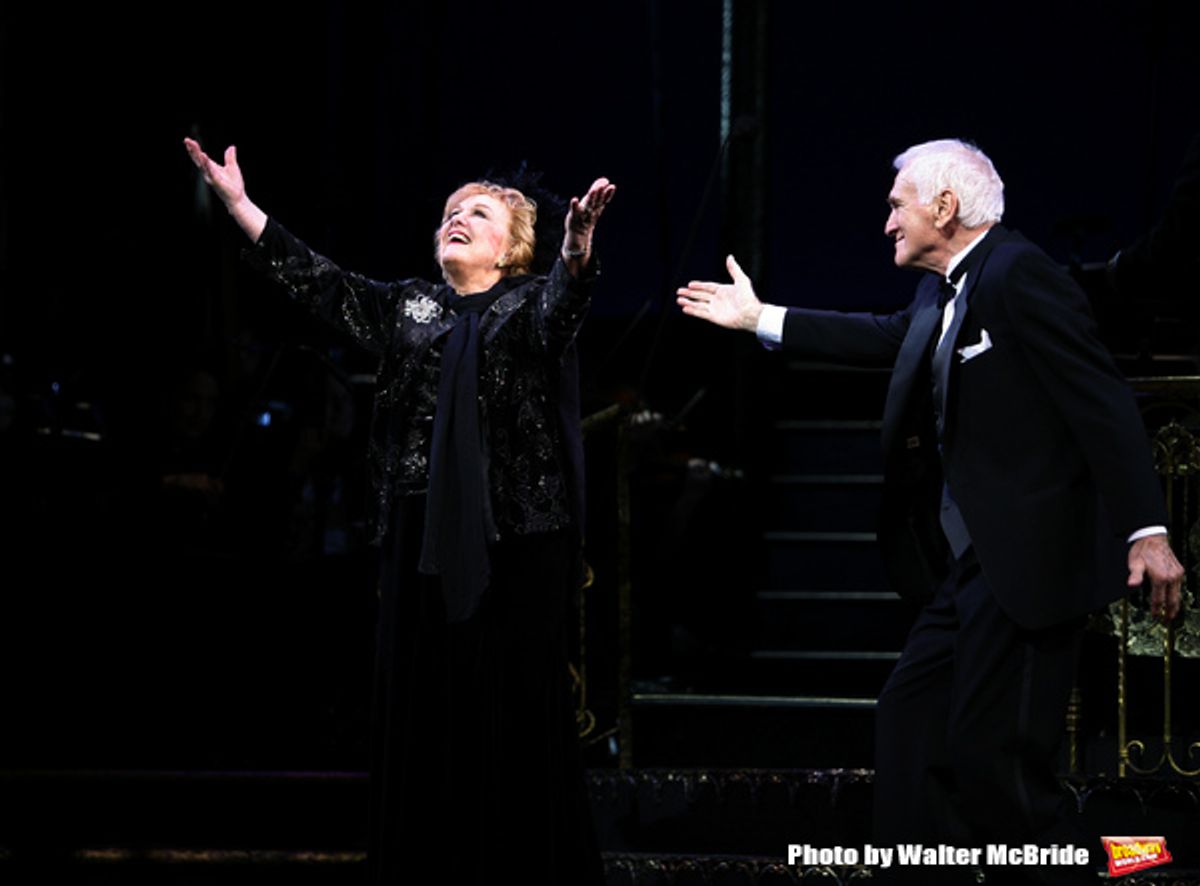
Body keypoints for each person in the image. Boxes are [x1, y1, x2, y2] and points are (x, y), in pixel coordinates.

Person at [677, 138, 1183, 884]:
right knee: (910, 719)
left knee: (998, 766)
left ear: (945, 207)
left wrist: (1147, 530)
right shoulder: (941, 293)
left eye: (895, 205)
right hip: (969, 566)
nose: (886, 223)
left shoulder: (1018, 274)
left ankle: (1123, 869)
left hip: (1028, 562)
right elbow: (884, 338)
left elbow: (1101, 399)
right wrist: (762, 318)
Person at [184, 137, 615, 885]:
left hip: (517, 541)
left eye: (478, 214)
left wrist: (576, 252)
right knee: (428, 713)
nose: (457, 219)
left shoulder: (525, 304)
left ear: (512, 249)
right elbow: (321, 284)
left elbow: (561, 306)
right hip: (422, 538)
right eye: (450, 211)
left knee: (510, 712)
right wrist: (243, 208)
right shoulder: (410, 306)